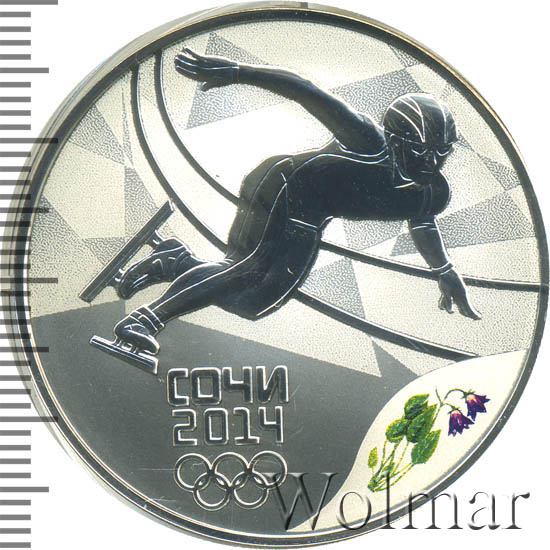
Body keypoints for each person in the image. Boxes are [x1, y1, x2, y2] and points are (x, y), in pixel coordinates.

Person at [111, 48, 480, 357]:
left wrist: (444, 271)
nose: (432, 163)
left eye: (442, 152)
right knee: (248, 268)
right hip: (283, 185)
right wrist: (238, 72)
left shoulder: (433, 192)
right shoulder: (368, 141)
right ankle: (144, 321)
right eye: (421, 150)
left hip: (310, 215)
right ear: (395, 140)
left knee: (255, 302)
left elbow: (422, 220)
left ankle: (176, 261)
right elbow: (306, 90)